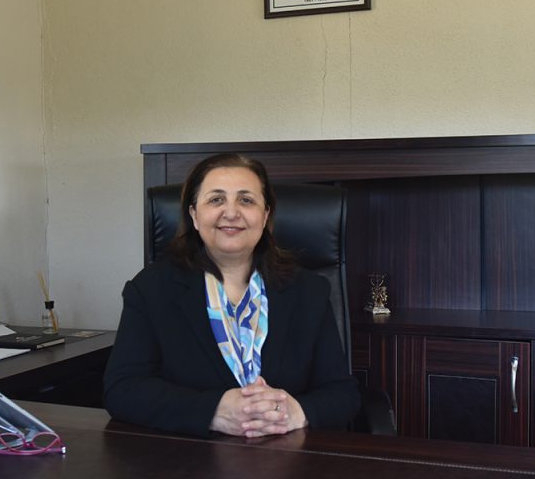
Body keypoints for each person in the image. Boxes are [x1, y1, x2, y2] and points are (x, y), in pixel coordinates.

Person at [103, 153, 360, 438]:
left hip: (288, 453)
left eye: (246, 200)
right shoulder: (151, 289)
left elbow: (342, 393)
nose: (231, 212)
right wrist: (212, 411)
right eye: (216, 200)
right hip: (189, 456)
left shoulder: (308, 291)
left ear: (265, 215)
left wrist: (297, 412)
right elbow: (122, 389)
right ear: (194, 215)